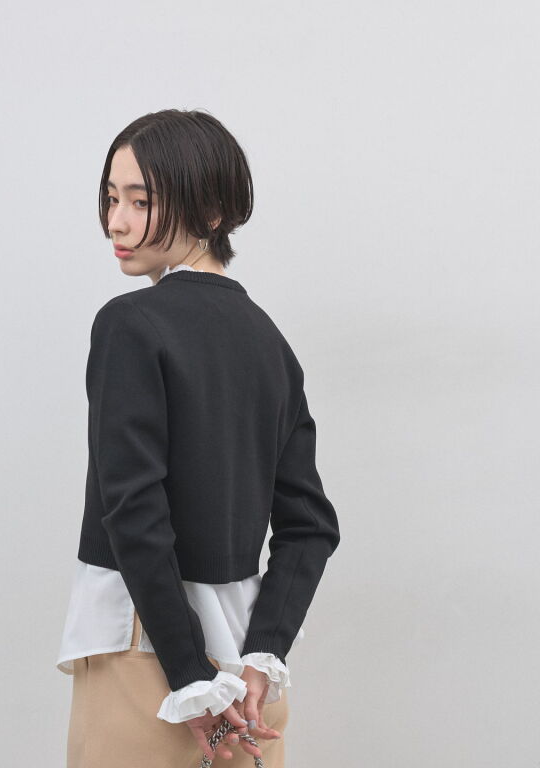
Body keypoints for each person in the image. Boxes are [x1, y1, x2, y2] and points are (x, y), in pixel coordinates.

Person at [56, 108, 341, 767]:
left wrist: (189, 679)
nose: (116, 222)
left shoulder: (131, 324)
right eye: (111, 198)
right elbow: (310, 525)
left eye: (141, 201)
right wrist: (263, 654)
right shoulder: (270, 343)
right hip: (250, 688)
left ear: (211, 211)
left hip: (150, 671)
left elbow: (134, 510)